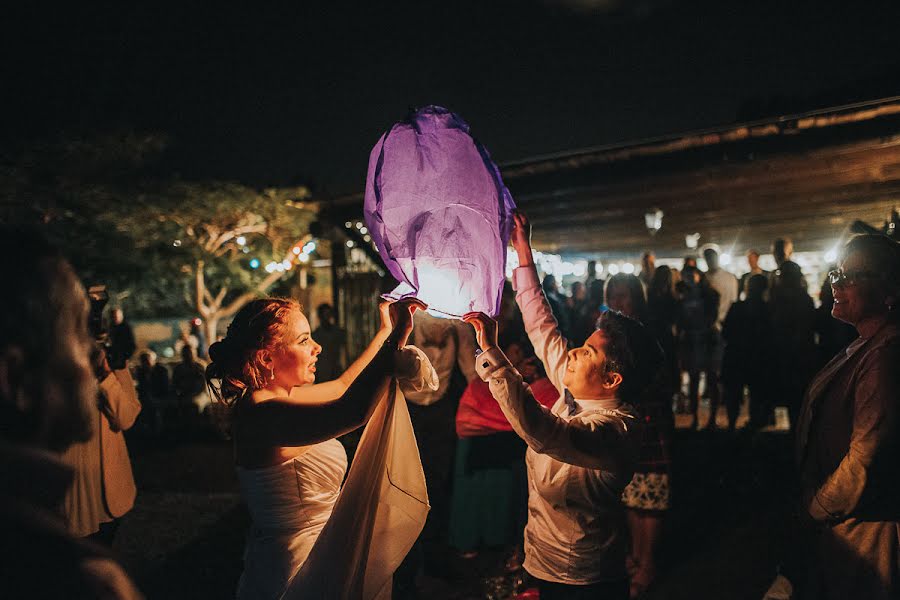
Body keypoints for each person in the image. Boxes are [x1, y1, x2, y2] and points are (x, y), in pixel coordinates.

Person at [464, 211, 664, 599]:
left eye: (587, 352)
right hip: (540, 559)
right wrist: (523, 253)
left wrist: (491, 352)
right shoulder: (576, 393)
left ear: (612, 379)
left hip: (583, 579)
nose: (572, 352)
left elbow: (545, 434)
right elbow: (542, 327)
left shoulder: (617, 429)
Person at [205, 296, 431, 599]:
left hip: (324, 550)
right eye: (304, 340)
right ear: (267, 358)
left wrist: (386, 331)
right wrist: (398, 338)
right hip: (300, 568)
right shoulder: (262, 415)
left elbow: (343, 386)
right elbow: (351, 411)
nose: (317, 347)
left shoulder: (278, 399)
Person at [0, 228, 142, 598]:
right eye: (76, 336)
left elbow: (126, 415)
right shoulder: (76, 581)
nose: (92, 354)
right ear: (13, 376)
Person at [794, 234, 900, 599]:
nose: (836, 283)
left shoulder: (884, 356)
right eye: (837, 273)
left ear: (888, 291)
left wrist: (818, 506)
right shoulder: (863, 345)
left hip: (865, 529)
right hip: (845, 523)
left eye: (852, 276)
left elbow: (868, 455)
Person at [605, 274, 673, 598]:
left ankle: (647, 562)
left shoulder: (650, 332)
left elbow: (664, 377)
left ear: (637, 299)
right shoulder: (608, 335)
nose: (619, 303)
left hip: (649, 420)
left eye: (624, 296)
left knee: (651, 491)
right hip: (625, 420)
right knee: (631, 492)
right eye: (613, 296)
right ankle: (634, 556)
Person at [61, 287, 142, 546]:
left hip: (109, 496)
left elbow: (126, 418)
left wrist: (106, 375)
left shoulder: (111, 361)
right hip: (71, 496)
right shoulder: (51, 364)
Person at [721, 274, 772, 430]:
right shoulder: (767, 309)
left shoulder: (737, 307)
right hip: (757, 358)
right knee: (756, 394)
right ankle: (753, 430)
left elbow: (726, 332)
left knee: (733, 395)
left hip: (736, 356)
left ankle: (731, 426)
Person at [769, 261, 816, 427]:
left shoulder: (779, 299)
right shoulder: (804, 298)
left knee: (793, 397)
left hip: (789, 353)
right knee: (801, 398)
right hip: (801, 353)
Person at [675, 265, 719, 429]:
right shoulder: (684, 295)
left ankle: (711, 418)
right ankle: (695, 418)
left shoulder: (708, 294)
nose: (688, 279)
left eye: (690, 275)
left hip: (705, 339)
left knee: (711, 379)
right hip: (693, 340)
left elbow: (712, 314)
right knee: (695, 381)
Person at [702, 247, 738, 430]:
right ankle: (718, 417)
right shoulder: (726, 278)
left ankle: (716, 417)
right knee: (716, 375)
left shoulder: (709, 279)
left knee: (716, 375)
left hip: (718, 329)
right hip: (720, 329)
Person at [311, 303, 348, 383]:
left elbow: (344, 353)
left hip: (336, 372)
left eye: (327, 314)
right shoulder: (315, 335)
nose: (326, 317)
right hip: (321, 374)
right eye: (323, 314)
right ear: (319, 316)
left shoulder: (339, 333)